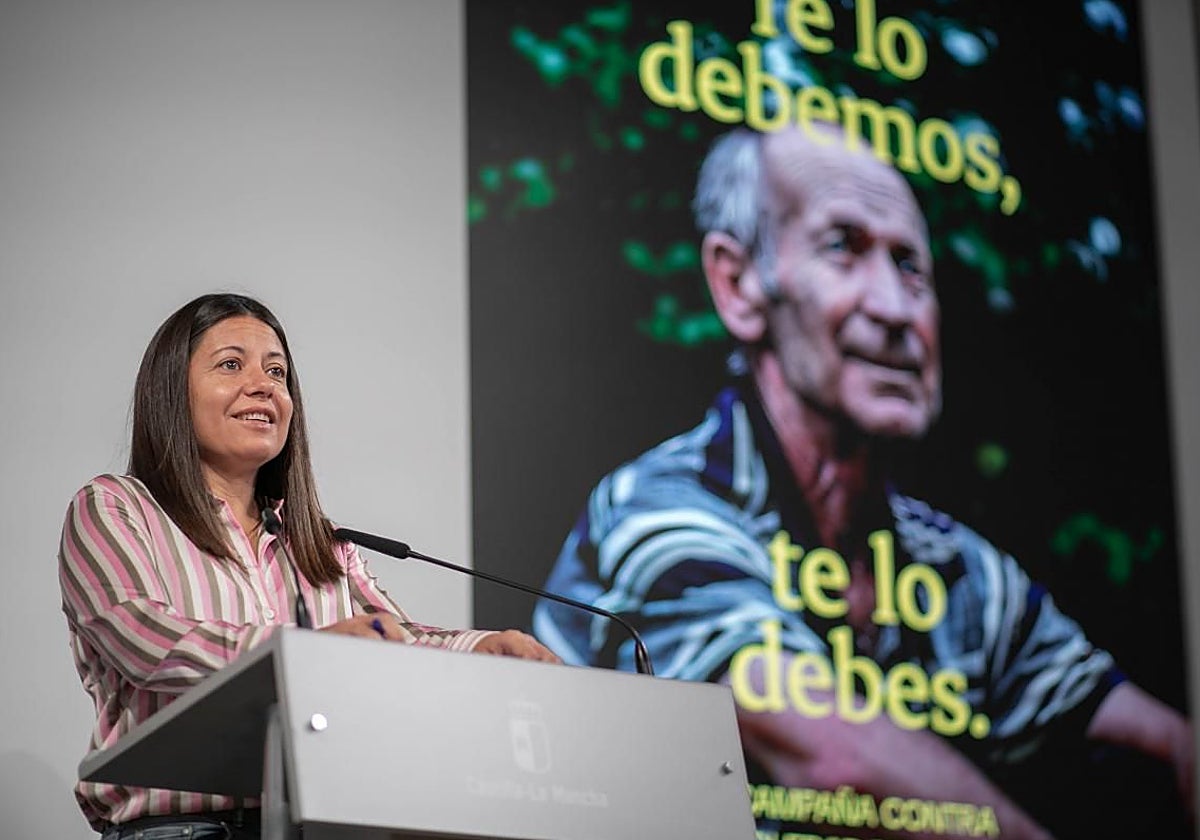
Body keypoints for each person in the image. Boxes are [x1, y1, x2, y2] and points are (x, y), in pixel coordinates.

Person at [533, 127, 1193, 839]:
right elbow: (832, 756)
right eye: (843, 246)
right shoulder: (657, 509)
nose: (896, 308)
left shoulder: (960, 570)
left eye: (912, 266)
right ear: (737, 284)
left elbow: (1158, 741)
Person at [59, 293, 559, 840]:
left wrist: (482, 648)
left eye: (277, 371)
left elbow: (393, 637)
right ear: (170, 391)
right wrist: (306, 653)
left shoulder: (320, 541)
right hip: (180, 829)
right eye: (231, 365)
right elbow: (144, 641)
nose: (264, 385)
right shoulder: (115, 507)